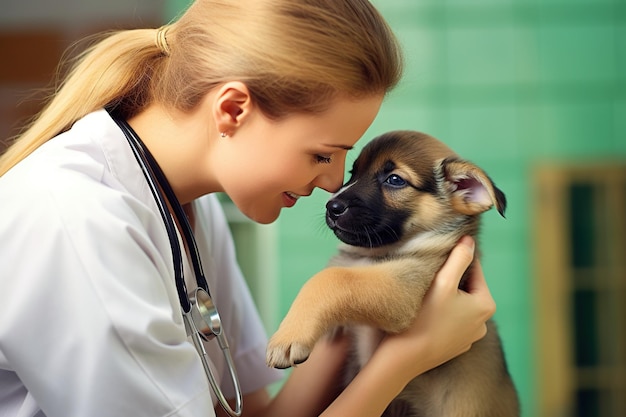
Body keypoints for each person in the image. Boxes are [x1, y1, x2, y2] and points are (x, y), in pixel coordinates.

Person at [0, 0, 496, 416]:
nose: (331, 186)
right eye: (323, 155)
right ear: (233, 109)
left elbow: (257, 414)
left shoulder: (193, 209)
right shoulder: (73, 222)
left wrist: (362, 315)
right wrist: (406, 358)